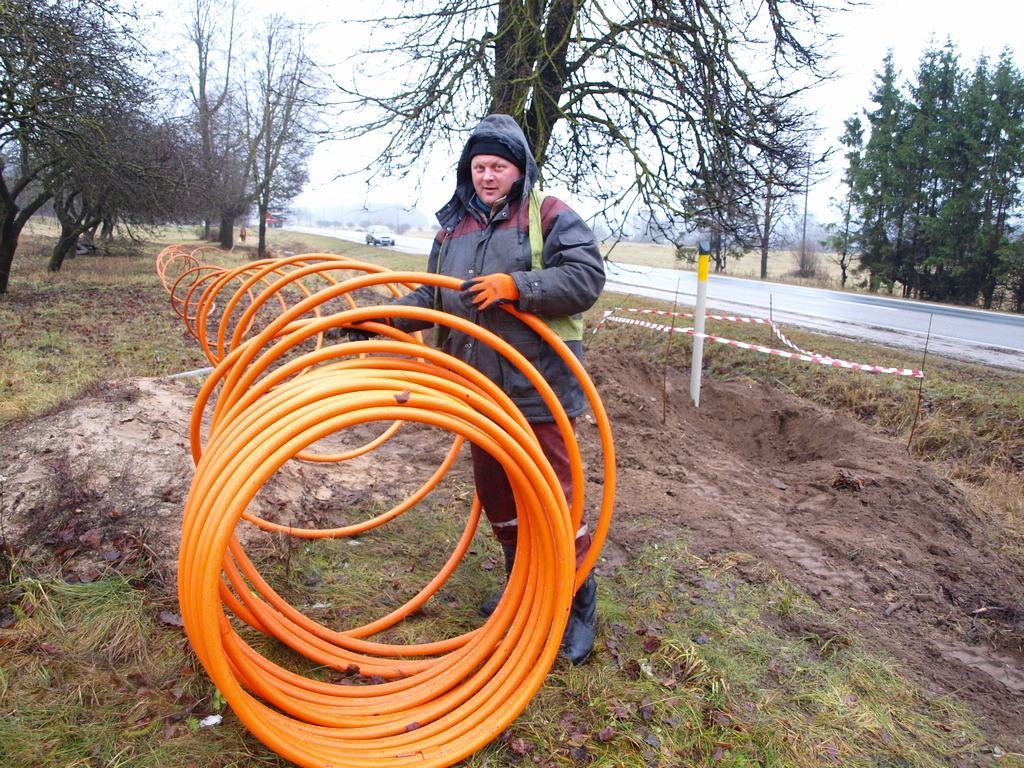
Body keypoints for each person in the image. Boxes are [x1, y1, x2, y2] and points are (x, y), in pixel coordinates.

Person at [382, 114, 606, 665]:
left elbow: (586, 278)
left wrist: (520, 286)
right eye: (479, 166)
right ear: (468, 170)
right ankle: (521, 585)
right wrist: (384, 318)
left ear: (518, 169)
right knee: (498, 495)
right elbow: (435, 299)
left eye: (498, 167)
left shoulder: (547, 215)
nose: (487, 176)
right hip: (478, 392)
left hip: (538, 389)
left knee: (554, 498)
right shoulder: (452, 229)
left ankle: (574, 603)